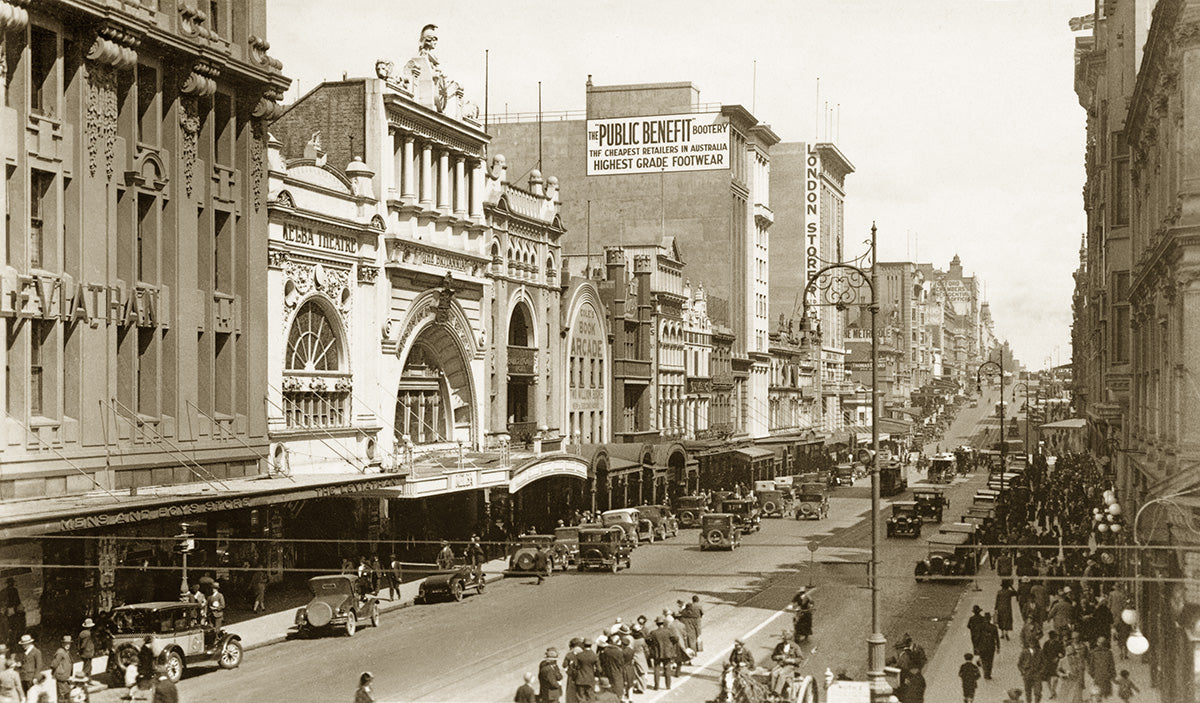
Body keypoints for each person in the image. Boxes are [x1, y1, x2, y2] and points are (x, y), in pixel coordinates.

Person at [645, 617, 679, 691]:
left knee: (656, 669)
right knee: (667, 668)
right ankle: (668, 685)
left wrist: (652, 645)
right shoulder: (668, 631)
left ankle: (656, 686)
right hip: (667, 652)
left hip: (657, 653)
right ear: (663, 623)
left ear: (657, 624)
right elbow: (676, 638)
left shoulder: (653, 632)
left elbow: (647, 639)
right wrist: (671, 644)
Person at [768, 631, 804, 698]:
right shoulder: (779, 646)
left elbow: (800, 659)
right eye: (784, 640)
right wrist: (778, 657)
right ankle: (772, 691)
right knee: (773, 673)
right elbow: (773, 656)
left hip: (790, 666)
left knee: (782, 674)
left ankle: (776, 693)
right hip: (781, 665)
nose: (786, 642)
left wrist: (790, 660)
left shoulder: (795, 647)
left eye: (787, 640)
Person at [597, 636, 625, 703]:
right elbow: (621, 663)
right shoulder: (618, 651)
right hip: (617, 670)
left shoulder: (605, 651)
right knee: (618, 685)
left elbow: (602, 661)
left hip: (608, 671)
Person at [571, 638, 598, 703]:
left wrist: (574, 678)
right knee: (591, 696)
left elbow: (574, 667)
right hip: (590, 679)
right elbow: (599, 668)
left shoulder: (579, 655)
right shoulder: (594, 656)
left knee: (581, 698)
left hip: (580, 679)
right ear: (591, 645)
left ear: (583, 645)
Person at [976, 612, 1000, 680]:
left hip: (982, 646)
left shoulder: (980, 627)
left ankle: (985, 672)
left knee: (984, 660)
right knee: (990, 660)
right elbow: (997, 638)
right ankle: (988, 673)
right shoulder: (993, 627)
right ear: (990, 619)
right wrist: (998, 647)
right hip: (991, 647)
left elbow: (977, 637)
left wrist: (976, 646)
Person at [50, 636, 72, 702]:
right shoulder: (60, 652)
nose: (68, 645)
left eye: (69, 643)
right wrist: (60, 671)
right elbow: (54, 664)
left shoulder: (66, 651)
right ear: (62, 644)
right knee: (62, 696)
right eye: (66, 643)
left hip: (65, 677)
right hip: (61, 677)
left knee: (66, 694)